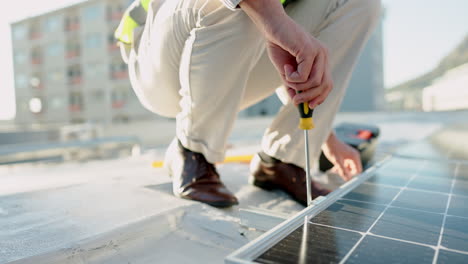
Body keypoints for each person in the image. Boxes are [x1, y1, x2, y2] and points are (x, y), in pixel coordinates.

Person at [117, 0, 381, 207]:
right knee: (238, 3)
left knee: (359, 2)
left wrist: (326, 136)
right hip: (163, 59)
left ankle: (284, 158)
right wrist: (275, 22)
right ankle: (193, 150)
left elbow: (288, 51)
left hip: (229, 61)